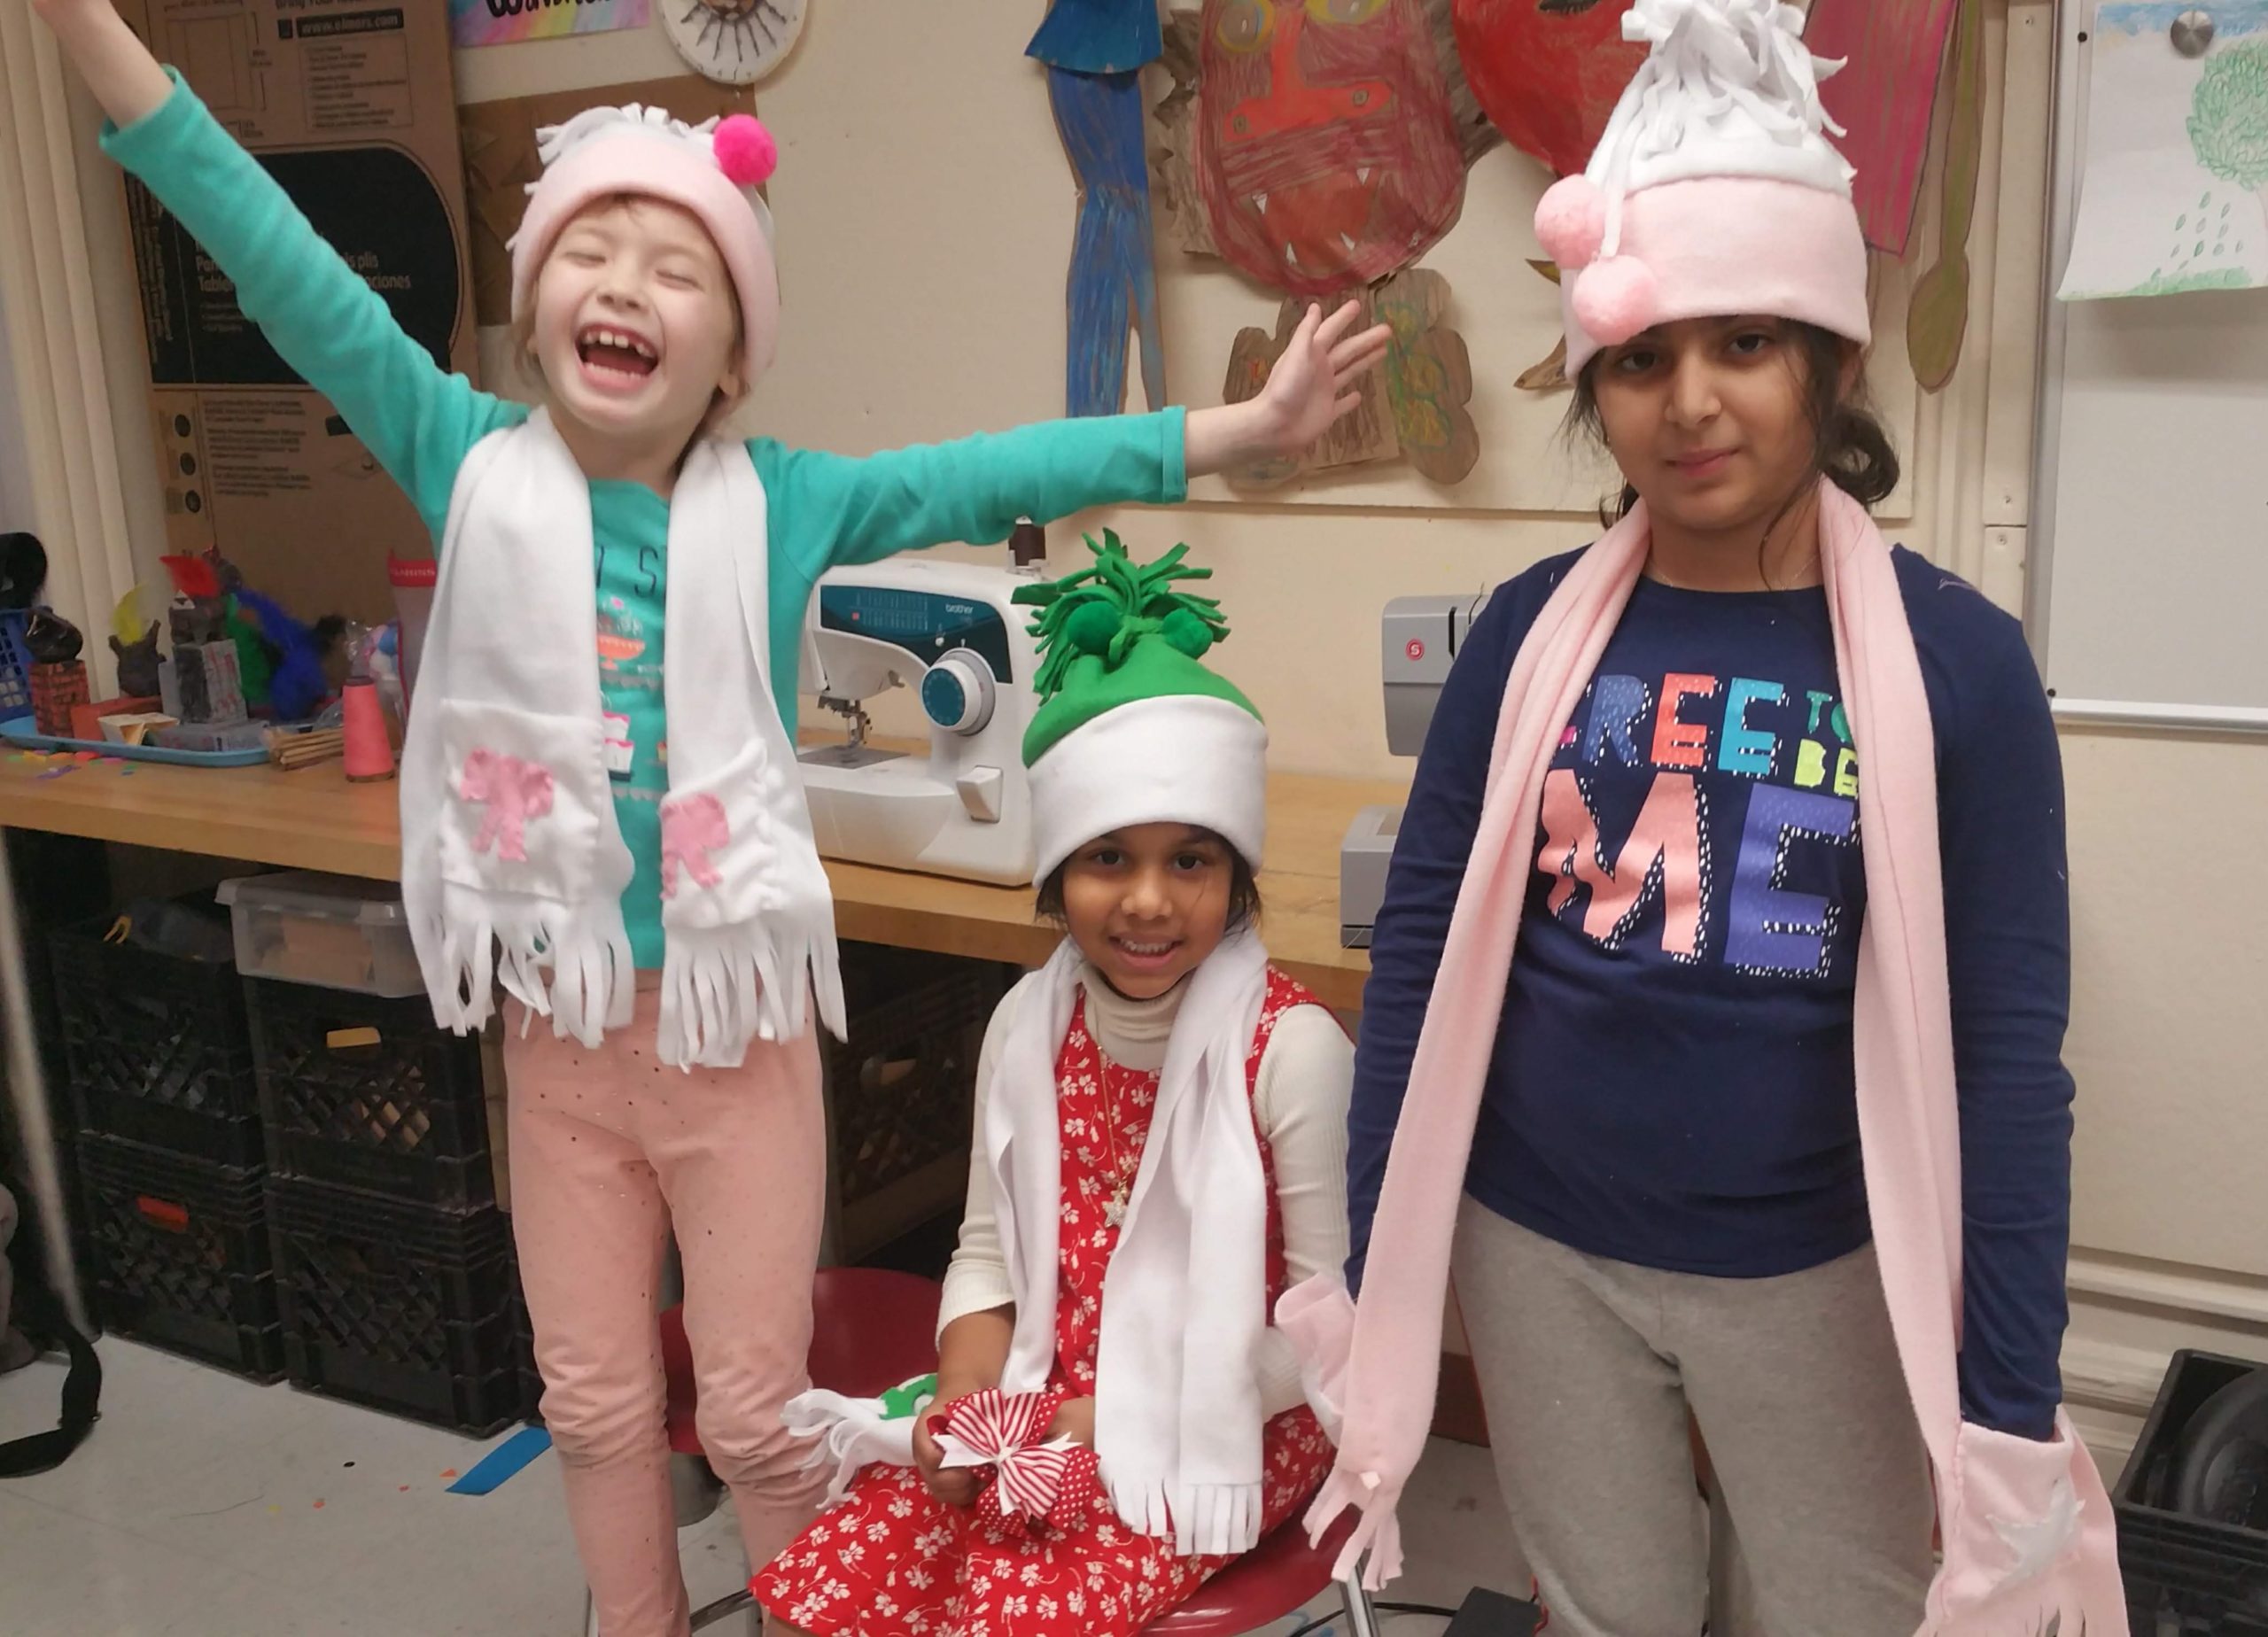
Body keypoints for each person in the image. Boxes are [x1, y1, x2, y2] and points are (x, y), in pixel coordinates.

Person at [29, 6, 1389, 1633]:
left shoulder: (785, 503)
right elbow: (279, 261)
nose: (625, 284)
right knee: (594, 1400)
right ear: (534, 309)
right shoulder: (465, 460)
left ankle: (810, 1615)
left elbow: (996, 469)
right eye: (589, 251)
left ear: (733, 353)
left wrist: (1240, 433)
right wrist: (86, 27)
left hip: (733, 1042)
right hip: (560, 1029)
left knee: (753, 1412)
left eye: (677, 267)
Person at [1285, 3, 2131, 1634]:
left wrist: (2009, 1403)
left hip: (1821, 1271)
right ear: (1595, 381)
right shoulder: (1526, 635)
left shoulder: (1956, 665)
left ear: (1832, 358)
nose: (1689, 401)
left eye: (1743, 343)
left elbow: (2009, 1062)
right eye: (1641, 358)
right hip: (1539, 1249)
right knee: (1608, 1610)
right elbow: (1422, 964)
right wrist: (1381, 1254)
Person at [755, 534, 1353, 1636]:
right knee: (820, 1593)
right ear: (1055, 873)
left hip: (1230, 1419)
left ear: (1237, 874)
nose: (1148, 902)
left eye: (1190, 860)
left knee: (1004, 1610)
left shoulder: (1291, 1050)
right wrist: (964, 1404)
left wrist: (1114, 1418)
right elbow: (987, 1252)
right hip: (1048, 1387)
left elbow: (1329, 1327)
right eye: (1106, 857)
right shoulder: (1029, 1025)